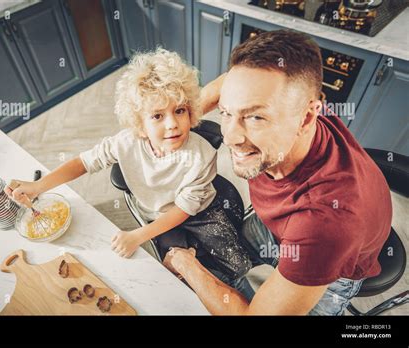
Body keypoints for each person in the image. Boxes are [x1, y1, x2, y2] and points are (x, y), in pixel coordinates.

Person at [163, 30, 392, 315]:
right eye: (226, 112)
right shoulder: (295, 104)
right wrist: (178, 122)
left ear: (307, 117)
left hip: (332, 269)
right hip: (281, 227)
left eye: (255, 117)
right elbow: (230, 84)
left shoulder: (324, 223)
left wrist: (186, 264)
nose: (230, 136)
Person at [5, 48, 251, 290]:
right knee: (173, 277)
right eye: (157, 116)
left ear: (190, 111)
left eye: (179, 111)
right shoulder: (125, 142)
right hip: (156, 213)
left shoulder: (202, 155)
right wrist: (38, 186)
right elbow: (83, 163)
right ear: (139, 124)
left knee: (238, 265)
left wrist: (138, 236)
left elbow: (184, 209)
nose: (172, 124)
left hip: (201, 212)